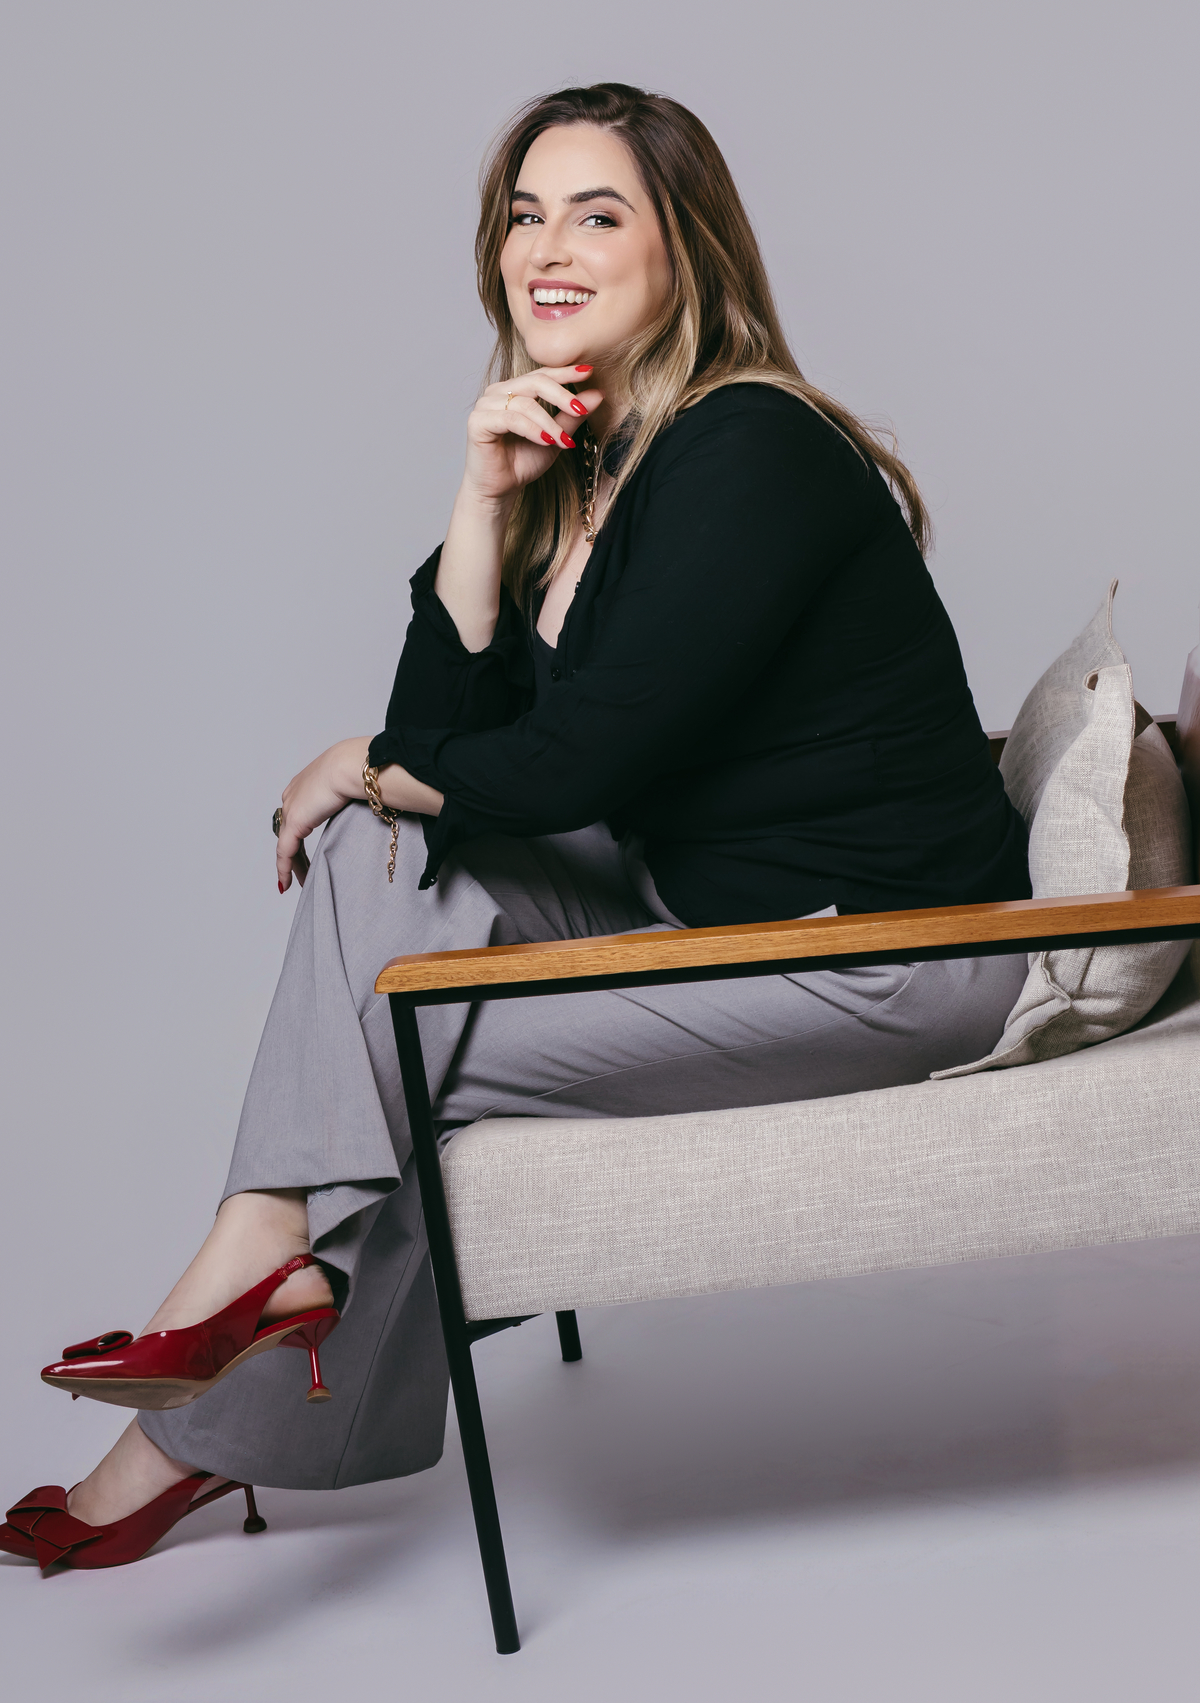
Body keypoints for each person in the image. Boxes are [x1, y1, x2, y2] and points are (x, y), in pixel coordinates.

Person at [2, 82, 1030, 1571]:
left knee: (393, 1039)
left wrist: (364, 759)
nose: (546, 248)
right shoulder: (596, 459)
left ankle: (209, 1368)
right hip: (708, 908)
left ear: (686, 246)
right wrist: (482, 503)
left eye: (596, 214)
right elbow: (458, 750)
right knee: (374, 855)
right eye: (523, 216)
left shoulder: (753, 446)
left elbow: (558, 770)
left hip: (883, 959)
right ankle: (255, 1284)